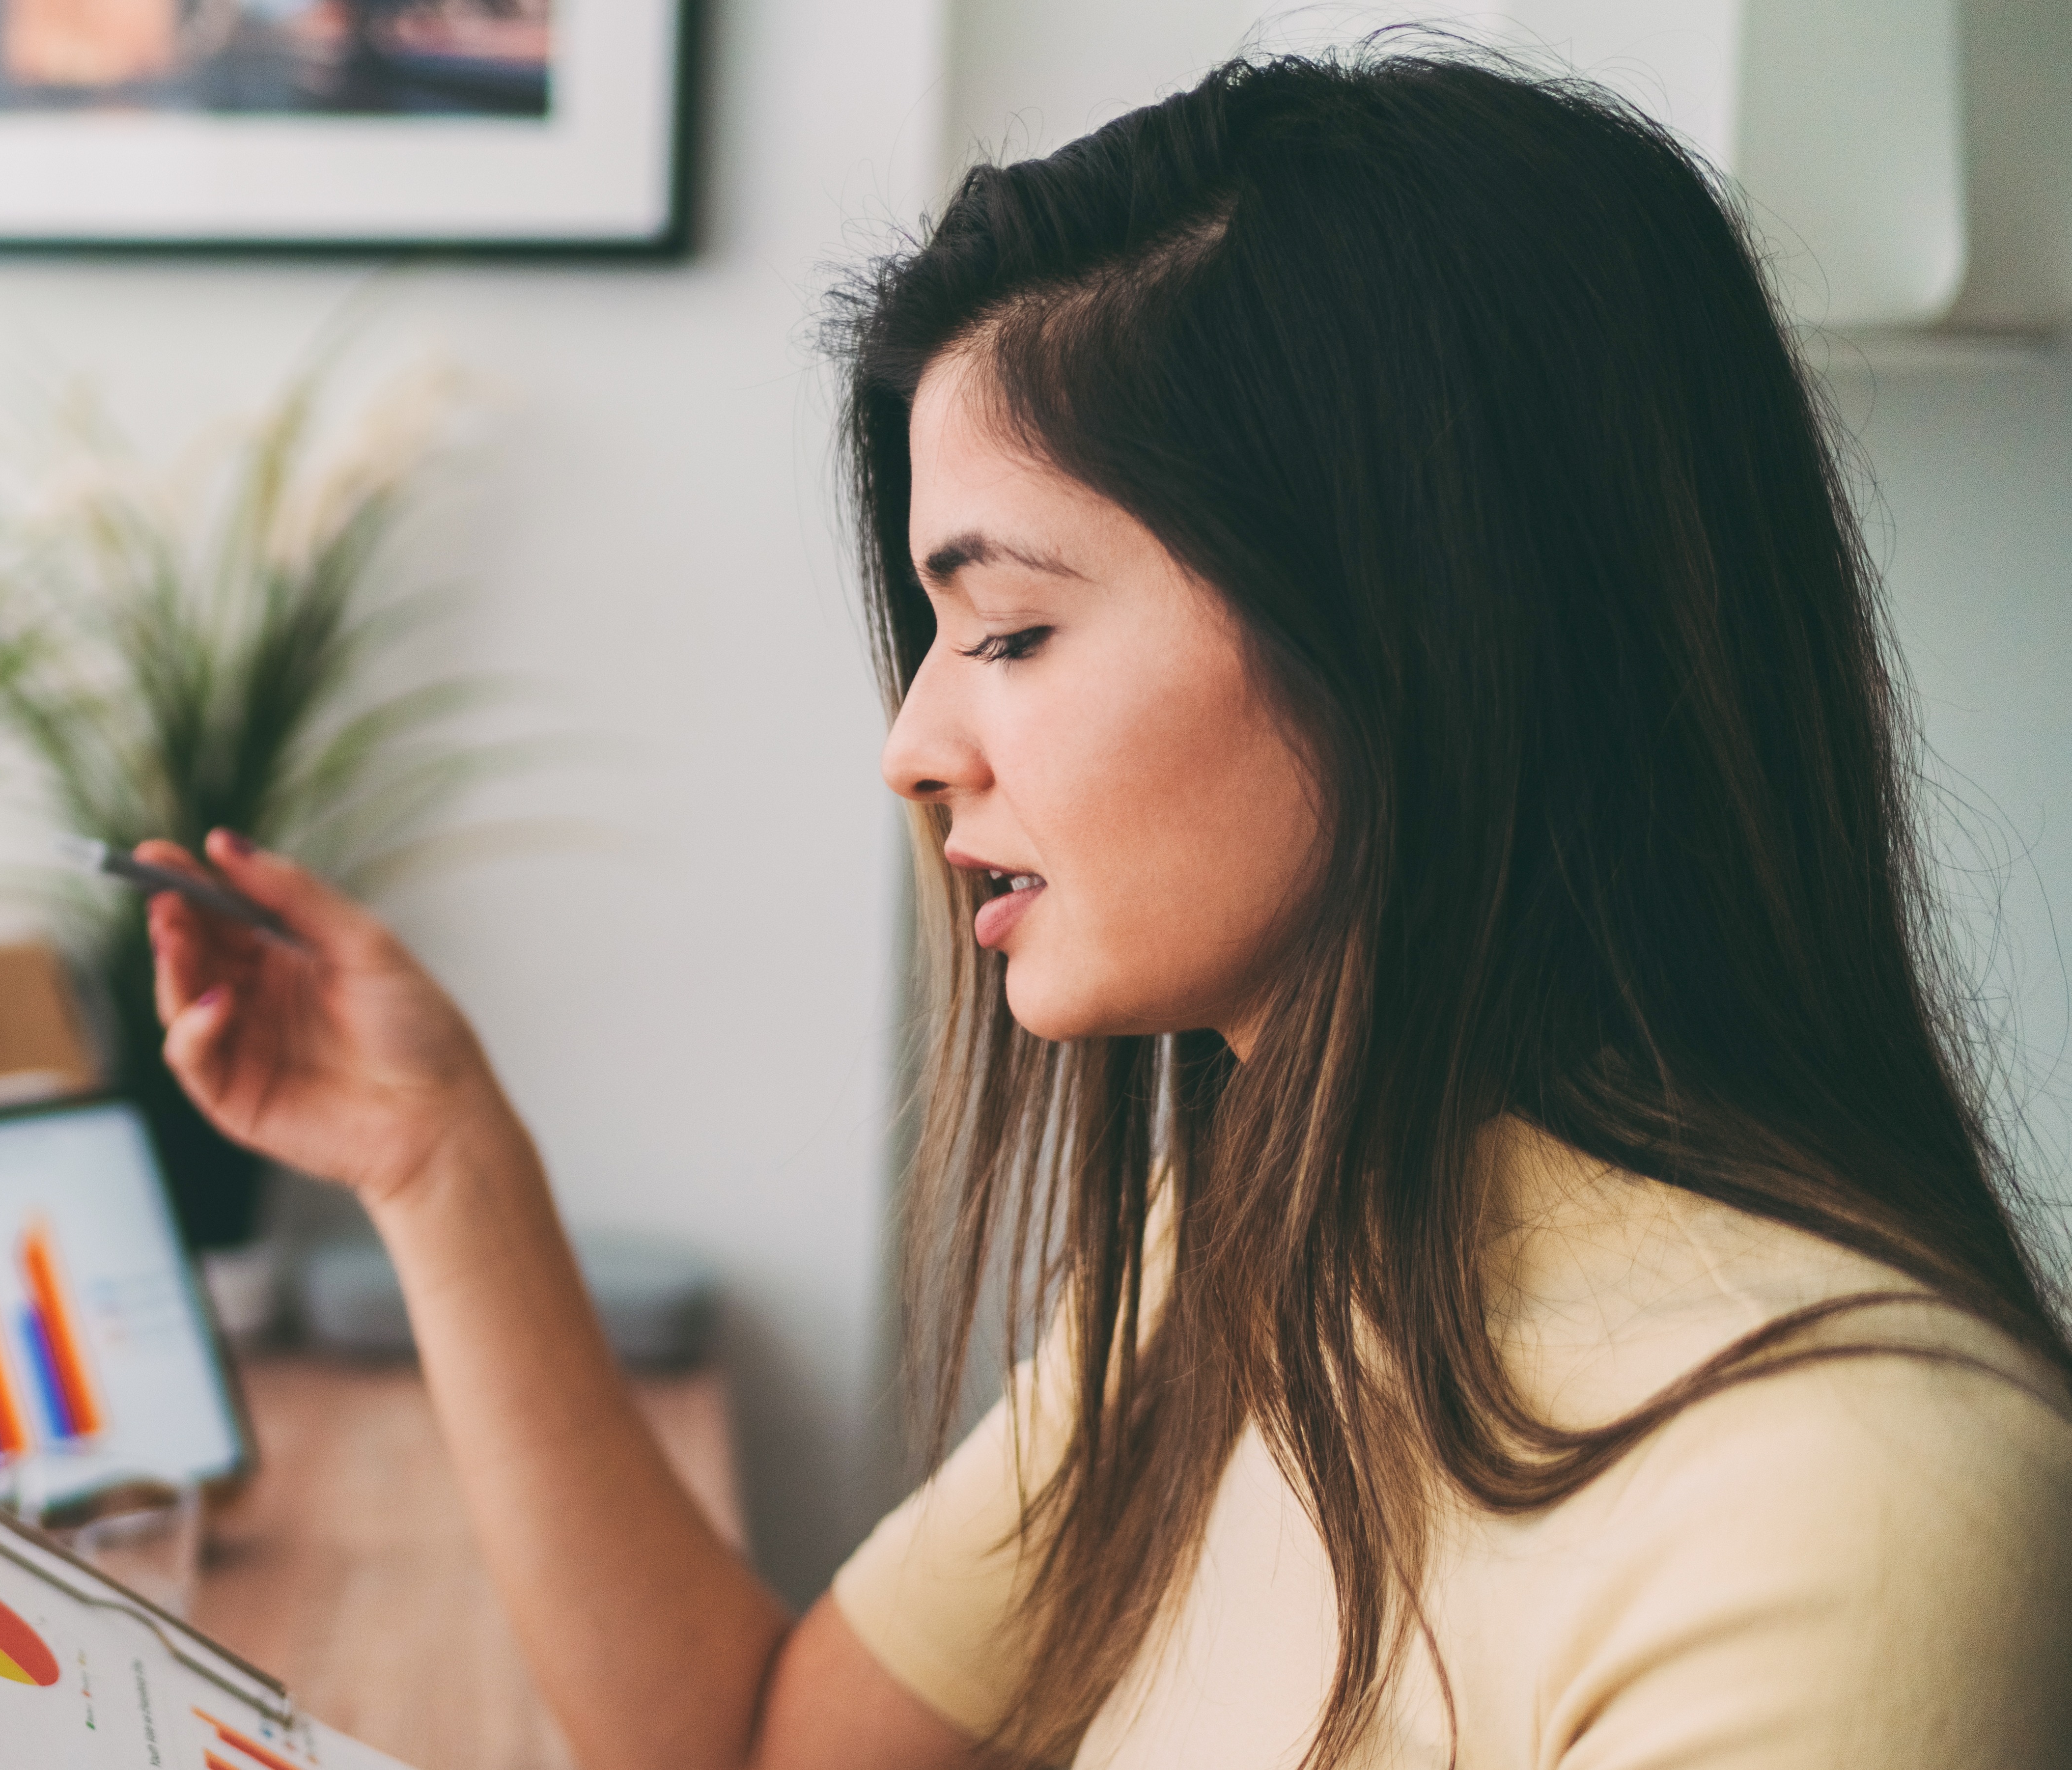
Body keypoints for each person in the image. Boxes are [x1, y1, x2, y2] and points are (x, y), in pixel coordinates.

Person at [133, 52, 2072, 1770]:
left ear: (1418, 638)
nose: (910, 745)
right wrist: (435, 1157)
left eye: (1008, 631)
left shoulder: (1854, 1503)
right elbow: (756, 1746)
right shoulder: (1255, 1251)